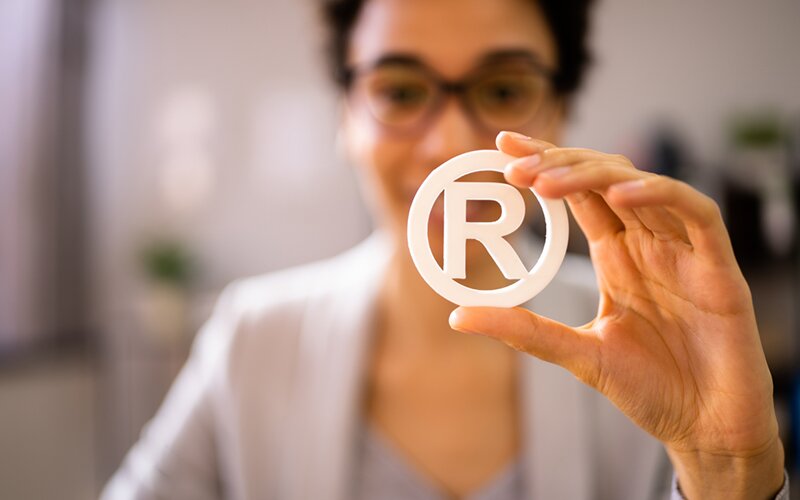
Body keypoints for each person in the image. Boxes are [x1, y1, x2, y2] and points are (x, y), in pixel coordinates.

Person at [102, 0, 790, 498]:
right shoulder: (252, 338)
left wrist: (727, 475)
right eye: (400, 90)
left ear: (559, 111)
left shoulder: (658, 345)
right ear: (346, 116)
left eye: (501, 89)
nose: (450, 145)